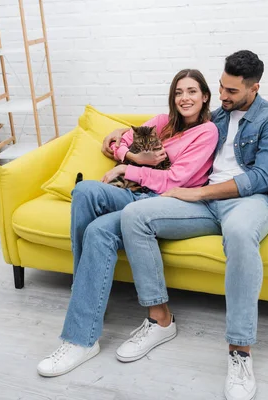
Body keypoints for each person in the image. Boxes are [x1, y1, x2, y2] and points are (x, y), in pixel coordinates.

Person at [104, 50, 268, 400]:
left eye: (232, 92)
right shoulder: (215, 117)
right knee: (135, 215)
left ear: (254, 88)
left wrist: (199, 192)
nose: (223, 96)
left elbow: (262, 178)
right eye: (221, 87)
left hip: (246, 201)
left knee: (237, 233)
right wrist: (122, 136)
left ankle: (240, 352)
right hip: (204, 202)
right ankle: (159, 320)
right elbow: (167, 129)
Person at [36, 69, 219, 377]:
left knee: (98, 231)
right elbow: (116, 143)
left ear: (204, 97)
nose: (184, 98)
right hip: (138, 195)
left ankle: (81, 337)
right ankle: (86, 298)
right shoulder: (162, 123)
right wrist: (133, 158)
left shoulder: (207, 132)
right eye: (178, 92)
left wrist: (127, 168)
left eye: (191, 91)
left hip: (167, 202)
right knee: (84, 190)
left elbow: (174, 180)